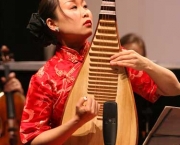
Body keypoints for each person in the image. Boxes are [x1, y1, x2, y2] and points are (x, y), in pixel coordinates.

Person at [19, 0, 180, 144]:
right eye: (74, 7)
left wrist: (146, 64)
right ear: (52, 24)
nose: (85, 12)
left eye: (85, 6)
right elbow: (33, 139)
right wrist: (76, 121)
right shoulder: (45, 77)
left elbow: (173, 89)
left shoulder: (113, 55)